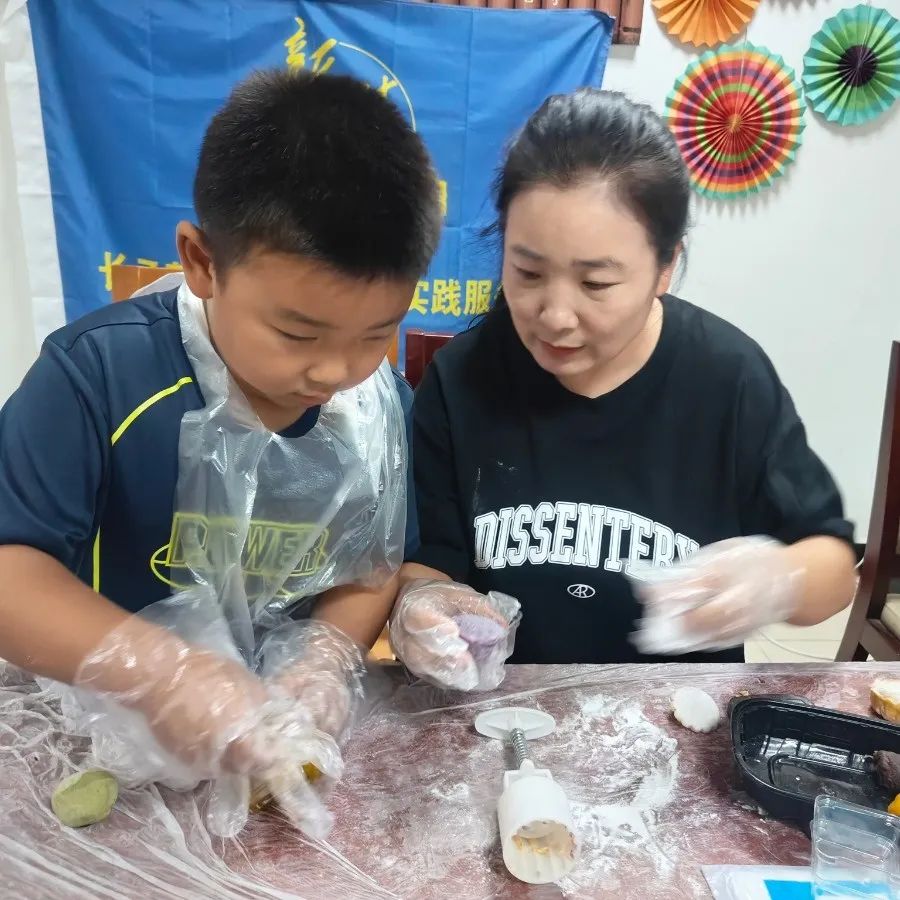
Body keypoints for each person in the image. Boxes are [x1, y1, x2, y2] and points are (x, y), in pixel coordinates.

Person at [0, 68, 442, 809]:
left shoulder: (377, 408)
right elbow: (12, 574)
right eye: (297, 333)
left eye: (377, 334)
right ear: (202, 262)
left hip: (274, 750)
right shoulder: (98, 376)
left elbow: (371, 565)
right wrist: (159, 672)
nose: (336, 371)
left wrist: (326, 658)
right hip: (98, 737)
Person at [391, 89, 856, 676]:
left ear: (665, 266)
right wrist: (421, 603)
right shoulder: (463, 378)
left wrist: (778, 579)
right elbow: (429, 559)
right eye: (528, 272)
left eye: (596, 284)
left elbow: (834, 570)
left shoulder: (728, 379)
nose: (555, 316)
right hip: (500, 707)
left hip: (678, 709)